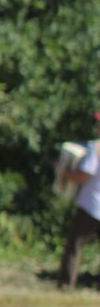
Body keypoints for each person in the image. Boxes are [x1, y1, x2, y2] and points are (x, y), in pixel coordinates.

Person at [56, 112, 100, 290]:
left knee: (75, 245)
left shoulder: (95, 147)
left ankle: (66, 285)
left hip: (91, 205)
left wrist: (63, 172)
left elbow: (85, 175)